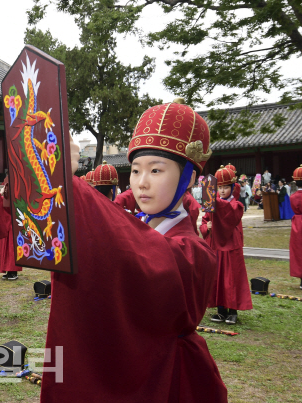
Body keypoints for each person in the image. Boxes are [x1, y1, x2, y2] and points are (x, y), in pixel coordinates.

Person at [40, 99, 227, 402]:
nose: (141, 183)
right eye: (136, 170)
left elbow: (134, 251)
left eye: (156, 170)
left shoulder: (193, 253)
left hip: (166, 378)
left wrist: (67, 184)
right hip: (125, 367)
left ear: (188, 178)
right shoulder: (138, 225)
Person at [200, 166, 251, 326]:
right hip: (215, 246)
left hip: (230, 247)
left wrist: (211, 199)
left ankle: (233, 311)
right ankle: (221, 311)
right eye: (219, 187)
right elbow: (204, 220)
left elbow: (227, 212)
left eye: (226, 187)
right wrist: (205, 227)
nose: (222, 191)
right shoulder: (212, 204)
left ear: (232, 187)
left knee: (231, 278)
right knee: (217, 278)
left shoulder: (236, 205)